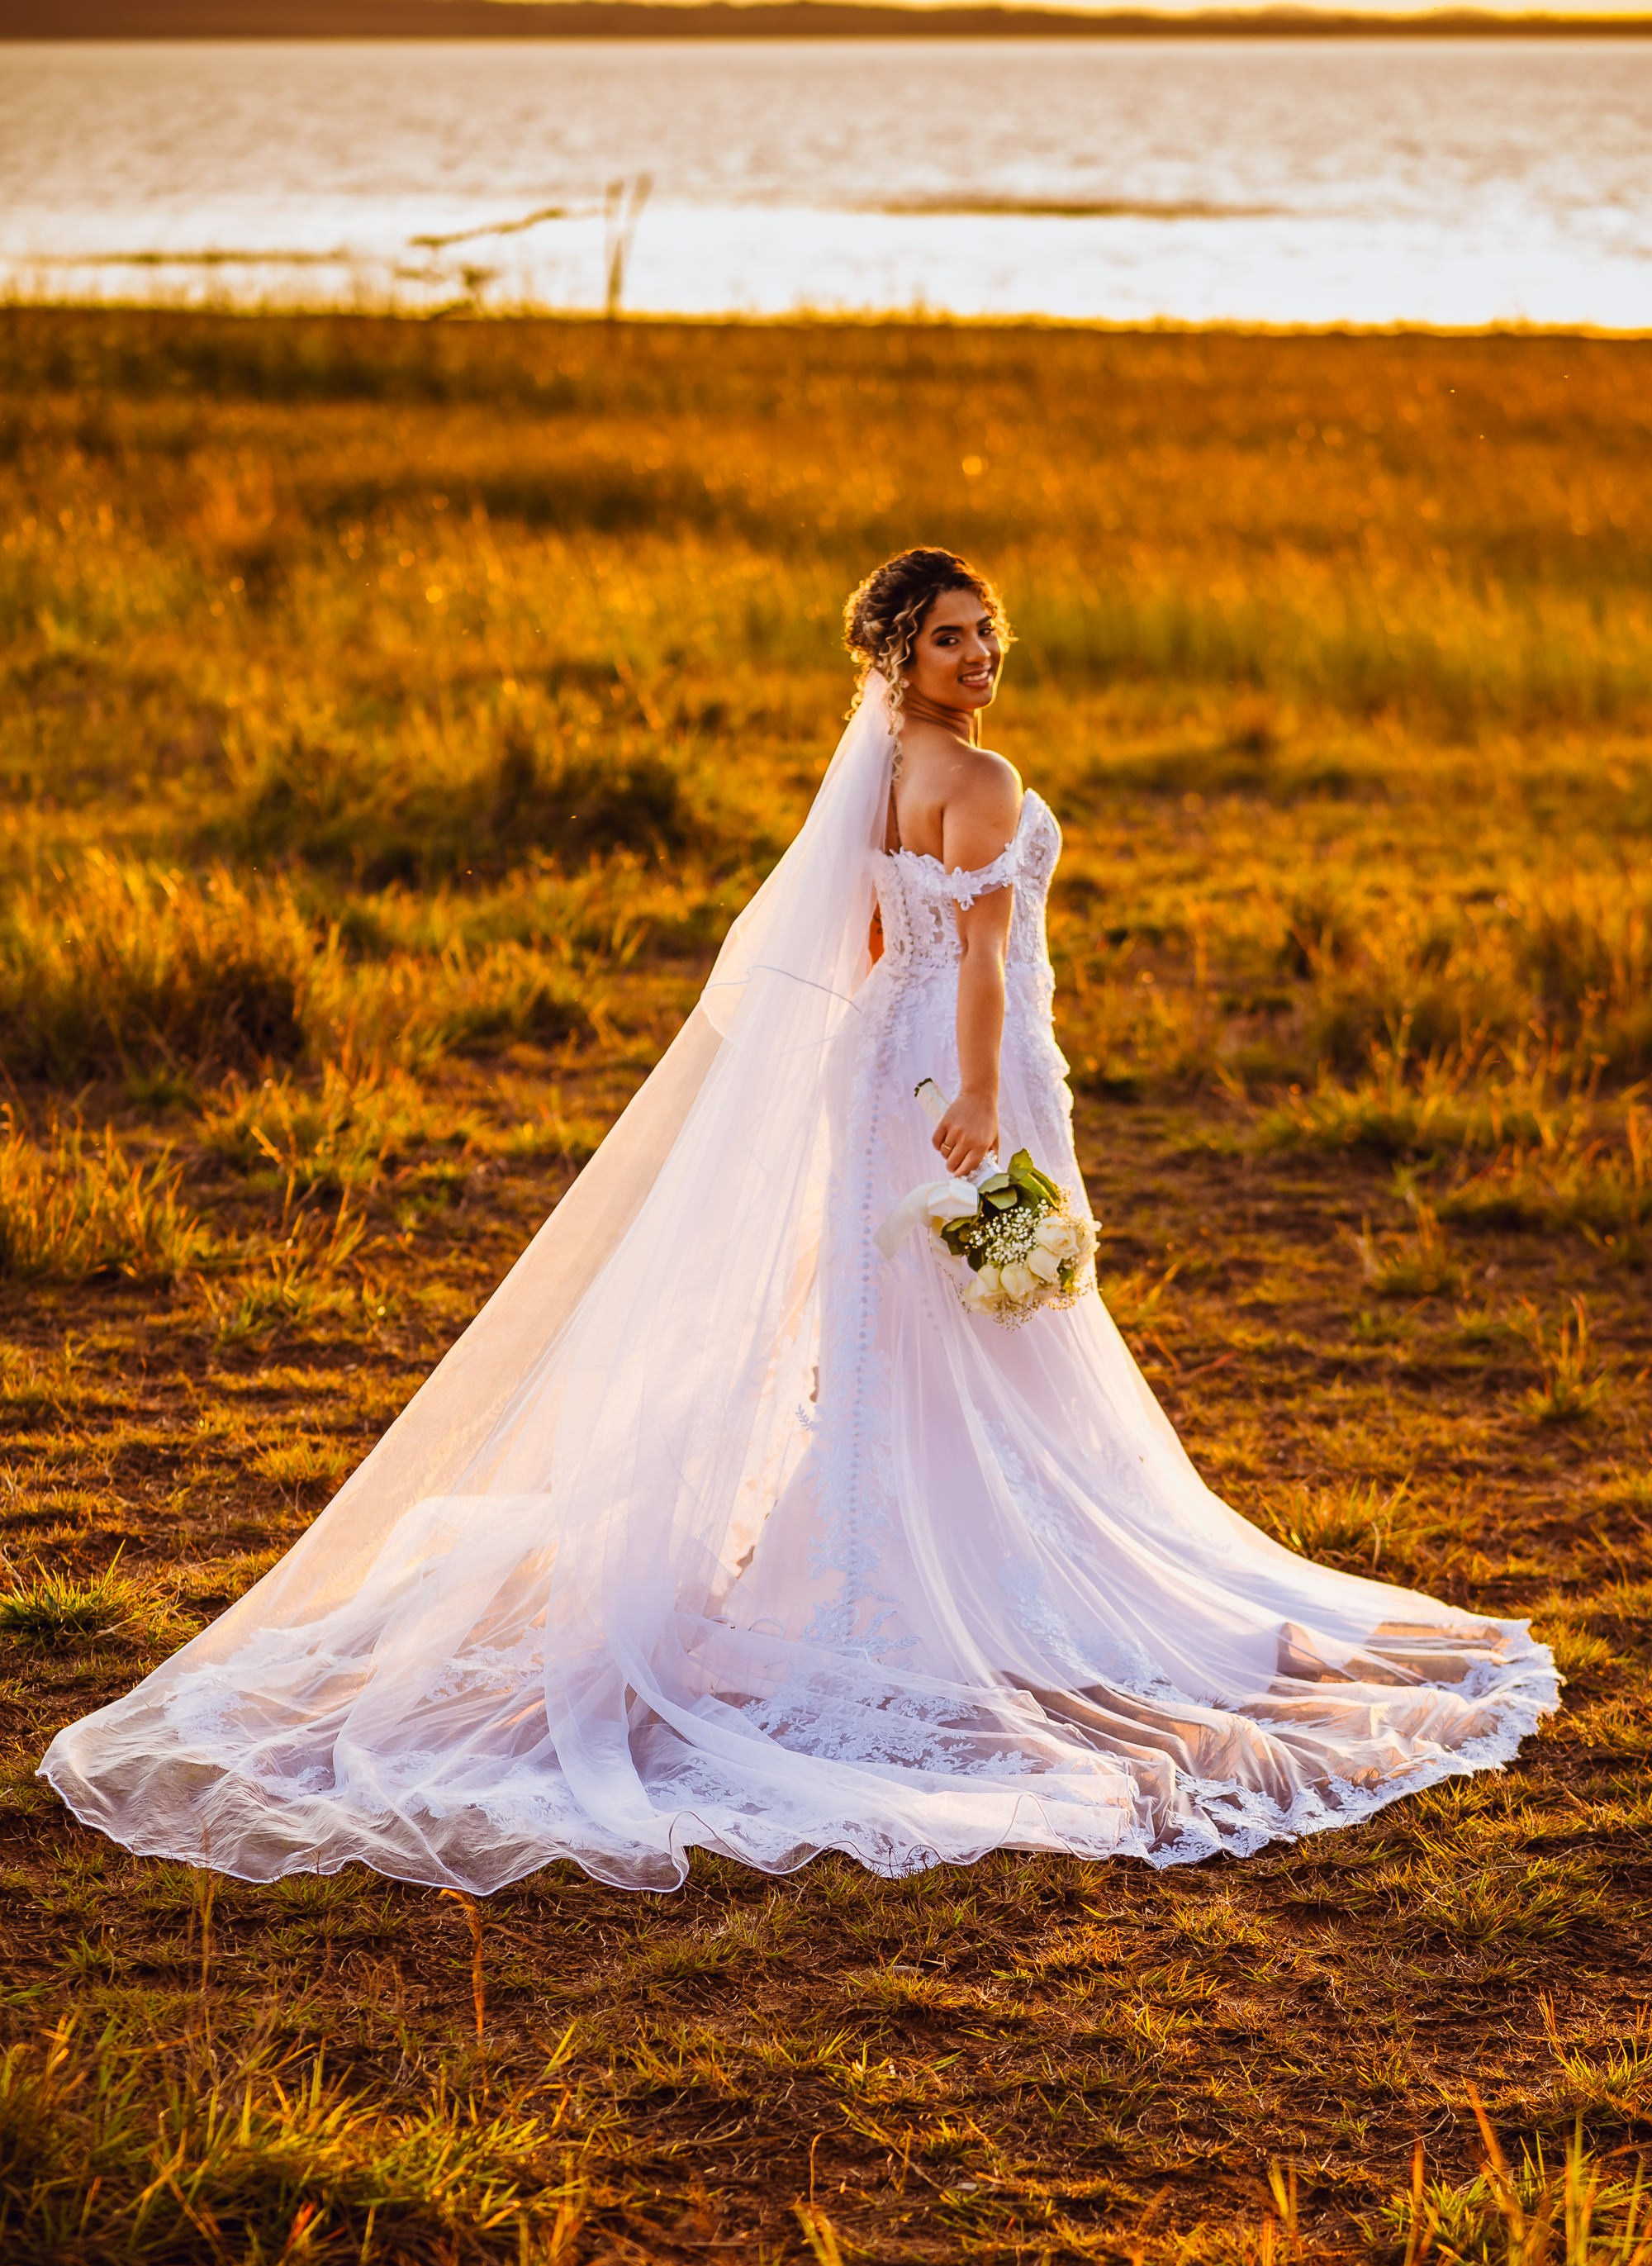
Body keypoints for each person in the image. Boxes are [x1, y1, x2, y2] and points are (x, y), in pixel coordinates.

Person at [40, 547, 1558, 1896]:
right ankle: (945, 1574)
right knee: (981, 1313)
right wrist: (976, 1096)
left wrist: (921, 1074)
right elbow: (968, 955)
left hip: (869, 1068)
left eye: (989, 636)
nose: (981, 659)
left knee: (887, 1316)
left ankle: (863, 1556)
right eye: (955, 638)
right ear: (899, 653)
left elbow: (865, 938)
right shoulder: (983, 779)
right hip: (959, 1066)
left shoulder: (883, 767)